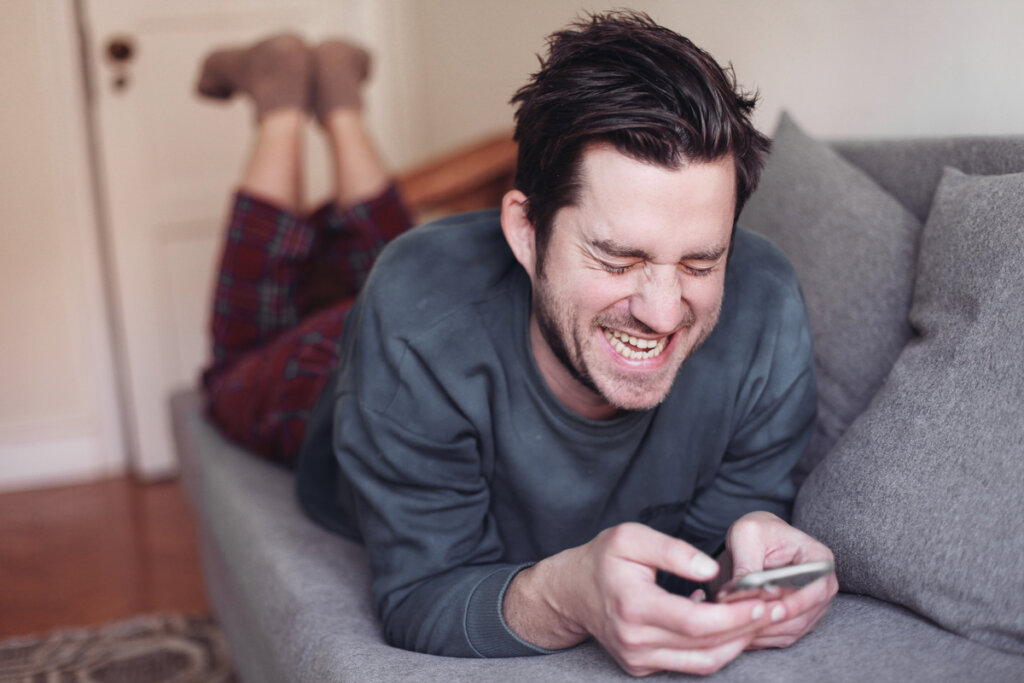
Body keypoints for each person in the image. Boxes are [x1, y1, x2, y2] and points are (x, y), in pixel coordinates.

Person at [198, 12, 837, 677]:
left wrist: (749, 556)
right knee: (240, 361)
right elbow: (419, 593)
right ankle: (281, 101)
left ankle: (338, 101)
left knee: (401, 269)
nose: (663, 311)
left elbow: (714, 543)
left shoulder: (765, 310)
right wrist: (567, 597)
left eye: (701, 263)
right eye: (618, 259)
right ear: (526, 233)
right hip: (346, 371)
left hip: (446, 305)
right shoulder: (418, 333)